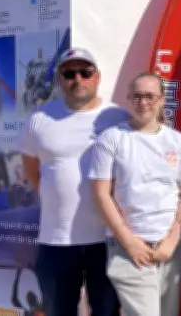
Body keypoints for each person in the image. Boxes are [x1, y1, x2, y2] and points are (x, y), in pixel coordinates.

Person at [17, 47, 129, 316]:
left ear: (97, 77)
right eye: (69, 73)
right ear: (60, 79)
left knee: (107, 311)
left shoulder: (118, 118)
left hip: (107, 239)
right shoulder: (39, 120)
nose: (77, 79)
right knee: (59, 311)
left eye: (85, 72)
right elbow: (32, 171)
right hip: (56, 240)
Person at [89, 71, 181, 316]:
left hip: (171, 247)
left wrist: (173, 238)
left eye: (150, 96)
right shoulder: (111, 139)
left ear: (161, 100)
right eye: (137, 96)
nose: (143, 102)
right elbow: (101, 193)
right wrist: (128, 241)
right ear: (128, 99)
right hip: (129, 248)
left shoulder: (177, 141)